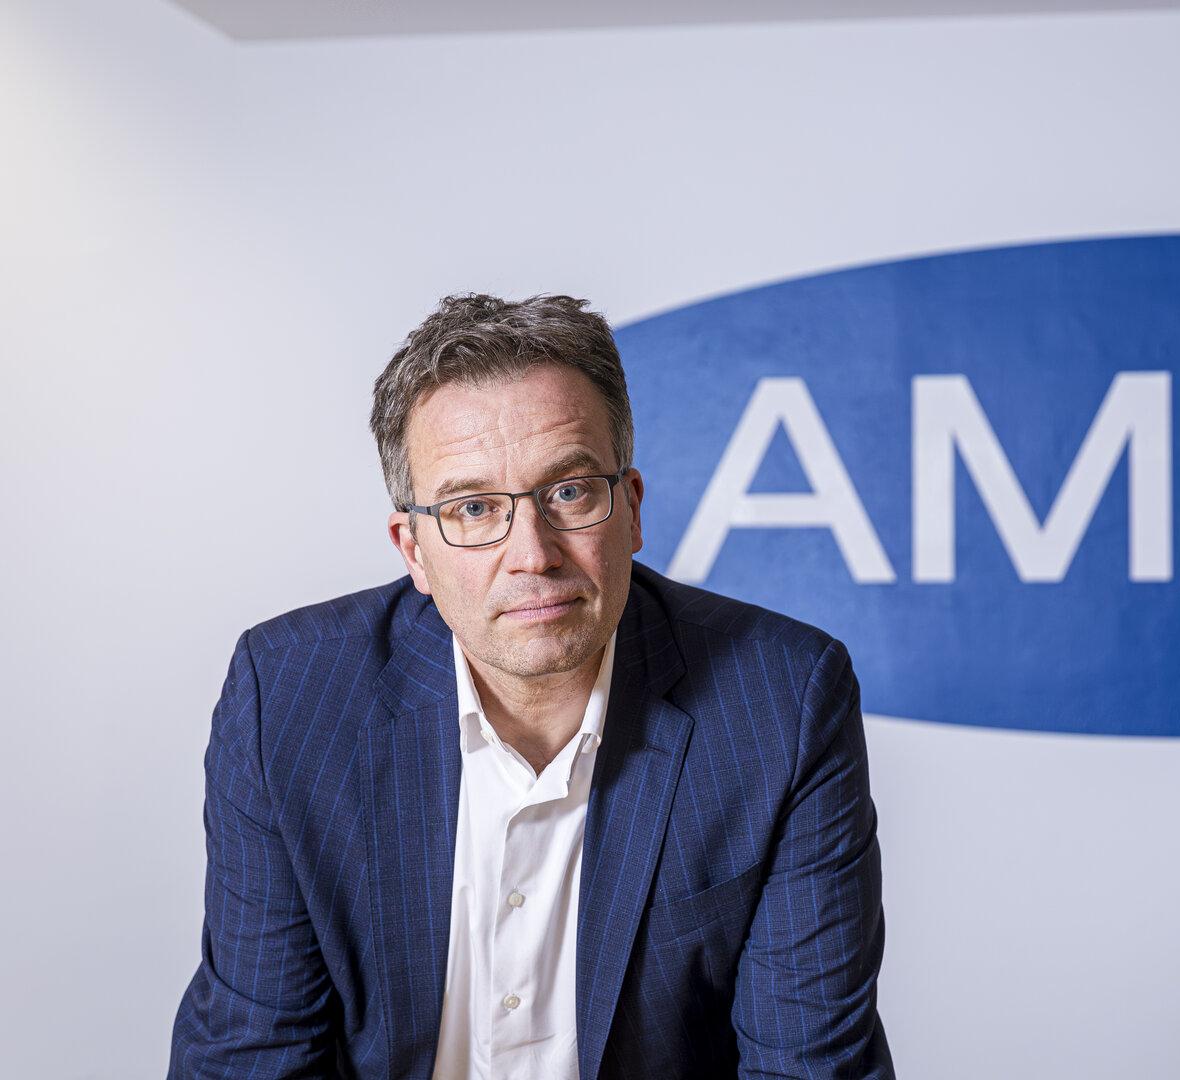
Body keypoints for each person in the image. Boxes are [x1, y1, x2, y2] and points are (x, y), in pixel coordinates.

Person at [168, 293, 895, 1079]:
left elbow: (808, 1068)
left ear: (631, 509)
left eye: (570, 492)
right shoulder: (289, 697)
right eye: (474, 508)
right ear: (412, 549)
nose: (533, 555)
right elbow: (252, 1058)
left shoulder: (782, 703)